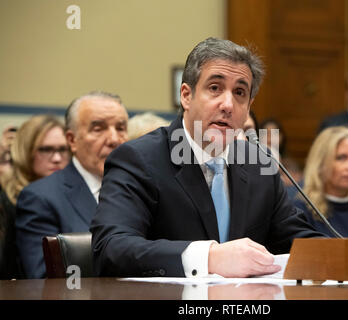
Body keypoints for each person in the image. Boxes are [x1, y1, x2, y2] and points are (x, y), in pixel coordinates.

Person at [91, 37, 324, 279]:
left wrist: (346, 257)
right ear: (186, 96)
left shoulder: (259, 164)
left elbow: (299, 242)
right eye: (215, 88)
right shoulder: (139, 159)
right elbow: (111, 249)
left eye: (240, 93)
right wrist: (210, 257)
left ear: (248, 107)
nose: (228, 104)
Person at [15, 91, 128, 278]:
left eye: (121, 128)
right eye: (98, 129)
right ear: (72, 140)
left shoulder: (142, 189)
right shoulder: (41, 198)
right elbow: (45, 280)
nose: (114, 139)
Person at [0, 115, 68, 279]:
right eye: (45, 149)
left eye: (63, 149)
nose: (57, 158)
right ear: (26, 151)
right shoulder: (7, 200)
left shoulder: (71, 195)